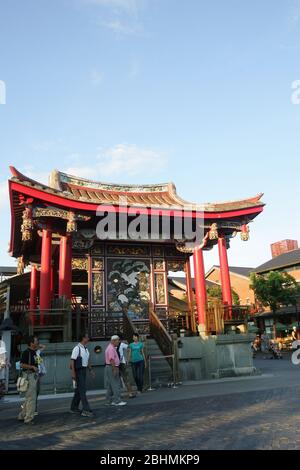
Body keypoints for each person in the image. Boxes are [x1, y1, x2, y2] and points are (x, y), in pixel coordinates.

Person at [70, 333, 95, 417]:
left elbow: (87, 360)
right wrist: (73, 373)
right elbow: (72, 361)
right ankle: (86, 409)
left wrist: (91, 370)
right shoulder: (77, 348)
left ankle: (73, 407)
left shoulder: (86, 349)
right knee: (82, 390)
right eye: (87, 337)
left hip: (83, 370)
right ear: (83, 338)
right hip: (78, 371)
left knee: (79, 390)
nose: (88, 339)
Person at [18, 336, 39, 424]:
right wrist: (32, 367)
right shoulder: (26, 352)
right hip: (29, 376)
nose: (37, 342)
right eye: (36, 341)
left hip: (34, 376)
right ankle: (28, 418)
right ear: (31, 343)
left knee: (29, 397)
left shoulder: (34, 352)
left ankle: (22, 415)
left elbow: (38, 363)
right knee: (31, 398)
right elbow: (22, 364)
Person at [104, 335, 127, 406]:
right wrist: (114, 369)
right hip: (112, 367)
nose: (119, 341)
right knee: (115, 384)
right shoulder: (111, 348)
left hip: (110, 367)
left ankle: (108, 401)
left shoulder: (110, 347)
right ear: (113, 341)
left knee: (110, 385)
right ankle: (117, 401)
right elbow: (111, 359)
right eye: (118, 340)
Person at [33, 335, 46, 416]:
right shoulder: (30, 352)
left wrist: (37, 345)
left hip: (38, 373)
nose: (37, 342)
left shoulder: (37, 352)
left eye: (37, 341)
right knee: (33, 392)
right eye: (35, 341)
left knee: (37, 391)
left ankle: (33, 407)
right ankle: (33, 408)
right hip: (32, 374)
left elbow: (44, 346)